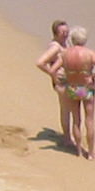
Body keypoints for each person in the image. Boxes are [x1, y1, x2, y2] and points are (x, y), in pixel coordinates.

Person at [53, 27, 95, 160]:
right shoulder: (89, 53)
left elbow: (53, 69)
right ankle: (90, 152)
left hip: (73, 86)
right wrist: (92, 76)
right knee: (89, 120)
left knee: (76, 120)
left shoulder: (65, 54)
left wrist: (59, 80)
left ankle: (79, 150)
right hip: (86, 86)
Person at [34, 17, 79, 149]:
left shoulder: (65, 43)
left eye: (67, 32)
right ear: (56, 33)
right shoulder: (55, 47)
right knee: (66, 110)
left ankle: (70, 136)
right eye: (62, 32)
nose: (65, 34)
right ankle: (67, 138)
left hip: (70, 80)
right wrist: (53, 74)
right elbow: (40, 63)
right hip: (62, 82)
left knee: (73, 109)